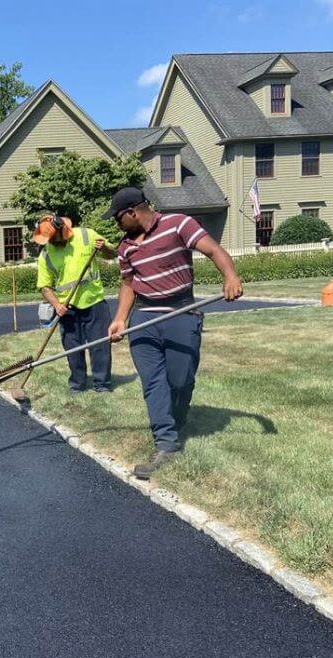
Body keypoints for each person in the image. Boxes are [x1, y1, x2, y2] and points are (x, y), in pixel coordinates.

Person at [105, 188, 243, 479]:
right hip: (144, 317)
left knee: (180, 381)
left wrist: (230, 276)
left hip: (181, 313)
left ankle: (178, 417)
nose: (117, 225)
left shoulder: (179, 224)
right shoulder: (125, 247)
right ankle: (166, 443)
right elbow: (128, 284)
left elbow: (212, 250)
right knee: (153, 383)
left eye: (118, 218)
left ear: (132, 212)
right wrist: (120, 319)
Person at [34, 214, 117, 393]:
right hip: (67, 308)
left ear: (62, 230)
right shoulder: (46, 254)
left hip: (94, 302)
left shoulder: (87, 235)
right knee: (73, 349)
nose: (51, 242)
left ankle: (102, 384)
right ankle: (77, 385)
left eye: (52, 238)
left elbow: (113, 254)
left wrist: (104, 249)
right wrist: (57, 305)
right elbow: (44, 286)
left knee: (100, 346)